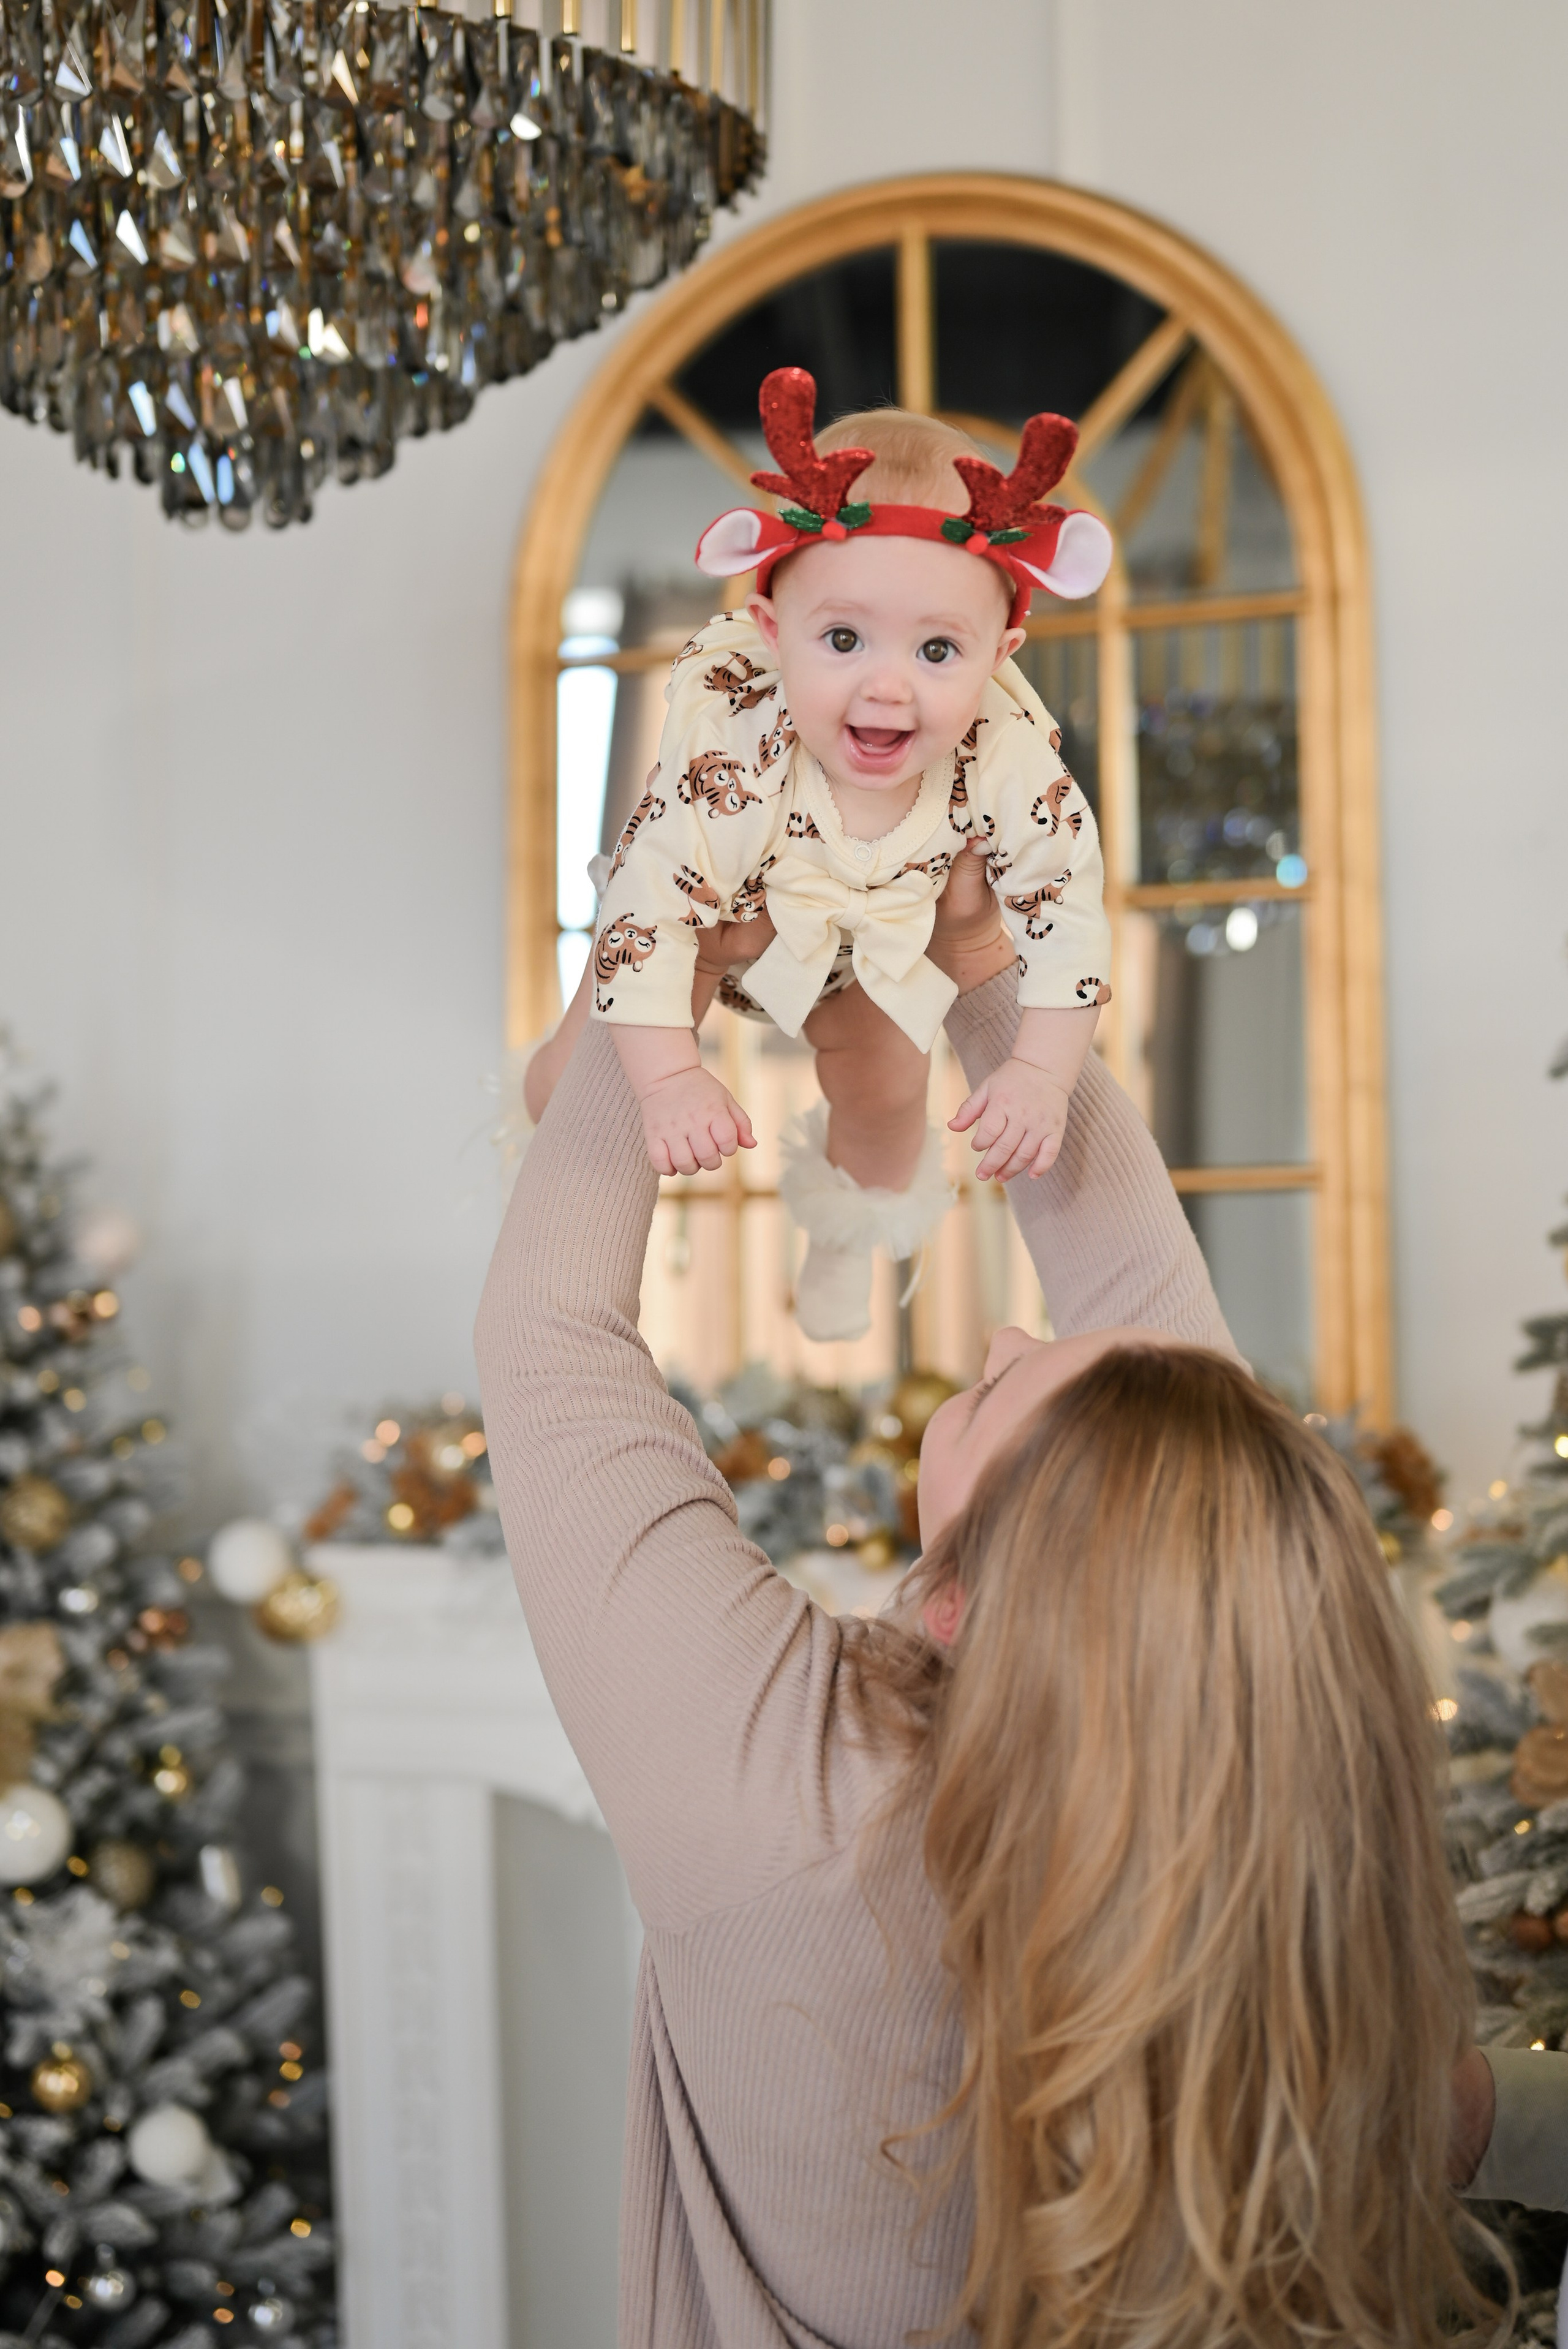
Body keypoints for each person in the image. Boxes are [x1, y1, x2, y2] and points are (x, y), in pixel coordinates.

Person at [479, 848, 1566, 2349]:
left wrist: (655, 947)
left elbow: (553, 1350)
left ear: (959, 1605)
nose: (994, 1329)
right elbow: (1148, 1339)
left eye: (994, 1387)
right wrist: (990, 967)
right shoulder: (1272, 1803)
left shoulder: (784, 1799)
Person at [584, 366, 1114, 1341]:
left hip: (874, 950)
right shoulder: (733, 746)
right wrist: (669, 1077)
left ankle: (844, 1232)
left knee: (888, 1103)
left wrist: (1040, 1073)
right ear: (774, 638)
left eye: (938, 652)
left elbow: (1067, 909)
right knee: (589, 1074)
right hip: (705, 924)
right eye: (842, 638)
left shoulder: (1007, 757)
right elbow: (645, 917)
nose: (888, 688)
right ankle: (546, 1105)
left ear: (1002, 655)